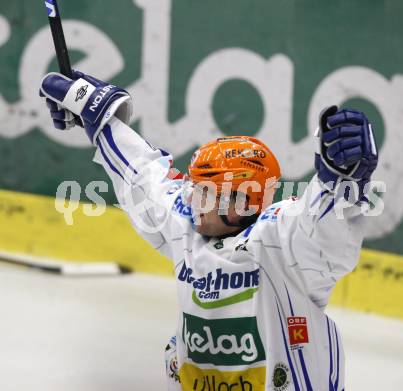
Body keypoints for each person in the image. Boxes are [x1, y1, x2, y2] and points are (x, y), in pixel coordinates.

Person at [40, 70, 378, 391]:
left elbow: (326, 239)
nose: (193, 199)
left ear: (243, 199)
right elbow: (141, 176)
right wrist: (101, 118)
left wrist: (341, 179)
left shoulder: (281, 241)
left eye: (206, 192)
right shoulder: (189, 225)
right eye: (195, 188)